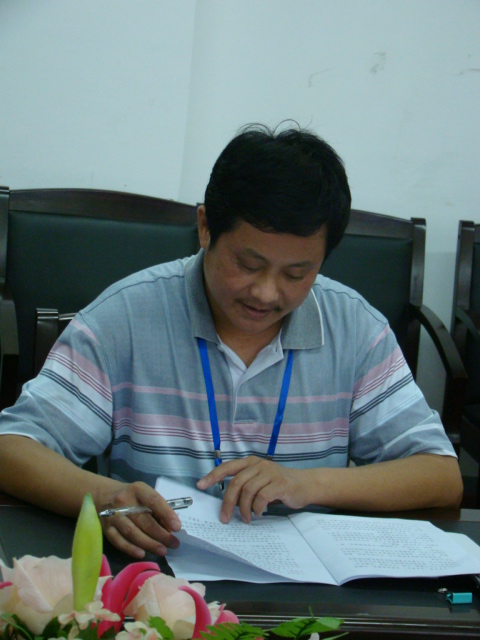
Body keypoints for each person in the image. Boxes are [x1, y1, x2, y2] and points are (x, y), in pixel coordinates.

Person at [0, 124, 463, 560]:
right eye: (248, 264)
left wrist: (310, 484)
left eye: (296, 274)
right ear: (205, 227)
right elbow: (12, 448)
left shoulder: (355, 329)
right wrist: (103, 495)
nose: (266, 293)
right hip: (159, 578)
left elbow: (440, 475)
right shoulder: (126, 317)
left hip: (306, 592)